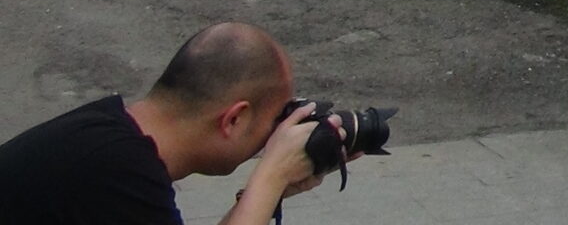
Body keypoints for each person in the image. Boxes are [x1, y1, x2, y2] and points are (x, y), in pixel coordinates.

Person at [0, 22, 328, 225]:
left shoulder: (103, 136)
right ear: (234, 119)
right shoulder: (122, 171)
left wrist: (264, 196)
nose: (272, 138)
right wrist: (271, 175)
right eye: (276, 120)